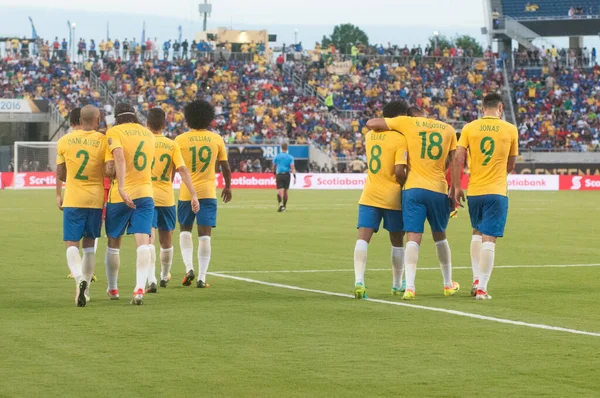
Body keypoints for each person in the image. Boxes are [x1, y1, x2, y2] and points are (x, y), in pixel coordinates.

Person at [366, 105, 460, 300]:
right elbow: (455, 159)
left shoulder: (407, 123)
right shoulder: (447, 128)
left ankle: (409, 287)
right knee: (440, 236)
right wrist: (454, 188)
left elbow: (371, 123)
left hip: (413, 188)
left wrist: (393, 127)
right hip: (438, 188)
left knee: (413, 237)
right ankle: (448, 284)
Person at [451, 94, 518, 300]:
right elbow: (511, 164)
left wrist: (455, 187)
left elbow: (457, 158)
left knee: (477, 232)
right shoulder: (510, 129)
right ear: (500, 107)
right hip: (496, 190)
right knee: (490, 238)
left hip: (475, 190)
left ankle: (475, 279)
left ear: (482, 109)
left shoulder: (471, 128)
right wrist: (498, 176)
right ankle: (482, 289)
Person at [353, 101, 409, 299]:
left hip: (369, 193)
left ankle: (359, 281)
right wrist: (404, 182)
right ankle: (396, 284)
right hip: (392, 195)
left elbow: (372, 125)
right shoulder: (400, 139)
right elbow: (399, 171)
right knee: (397, 240)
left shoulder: (370, 136)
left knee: (363, 238)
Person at [175, 100, 232, 288]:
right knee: (205, 235)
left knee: (185, 231)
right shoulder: (216, 139)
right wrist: (228, 186)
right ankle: (202, 277)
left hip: (186, 193)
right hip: (208, 192)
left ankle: (189, 267)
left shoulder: (180, 139)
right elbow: (225, 166)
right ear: (209, 118)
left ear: (188, 117)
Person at [103, 104, 155, 305]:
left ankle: (113, 288)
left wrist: (121, 186)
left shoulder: (114, 132)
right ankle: (139, 288)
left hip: (120, 195)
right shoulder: (148, 134)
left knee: (114, 243)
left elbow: (115, 163)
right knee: (143, 243)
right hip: (145, 193)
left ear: (117, 117)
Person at [55, 105, 107, 307]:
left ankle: (79, 279)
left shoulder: (64, 141)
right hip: (95, 199)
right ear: (96, 119)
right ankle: (86, 289)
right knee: (89, 246)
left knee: (71, 243)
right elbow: (108, 169)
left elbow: (60, 173)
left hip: (74, 197)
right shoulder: (103, 140)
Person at [145, 108, 199, 292]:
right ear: (164, 125)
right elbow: (182, 170)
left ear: (146, 124)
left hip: (146, 197)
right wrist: (193, 194)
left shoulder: (142, 143)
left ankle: (151, 279)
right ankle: (163, 276)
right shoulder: (171, 144)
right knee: (166, 241)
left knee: (148, 240)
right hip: (166, 198)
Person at [272, 143, 296, 212]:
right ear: (287, 148)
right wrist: (294, 176)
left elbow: (273, 166)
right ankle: (284, 207)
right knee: (285, 191)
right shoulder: (290, 157)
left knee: (279, 191)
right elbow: (292, 167)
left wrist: (274, 174)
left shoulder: (277, 156)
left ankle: (280, 204)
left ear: (281, 148)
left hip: (279, 175)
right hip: (287, 175)